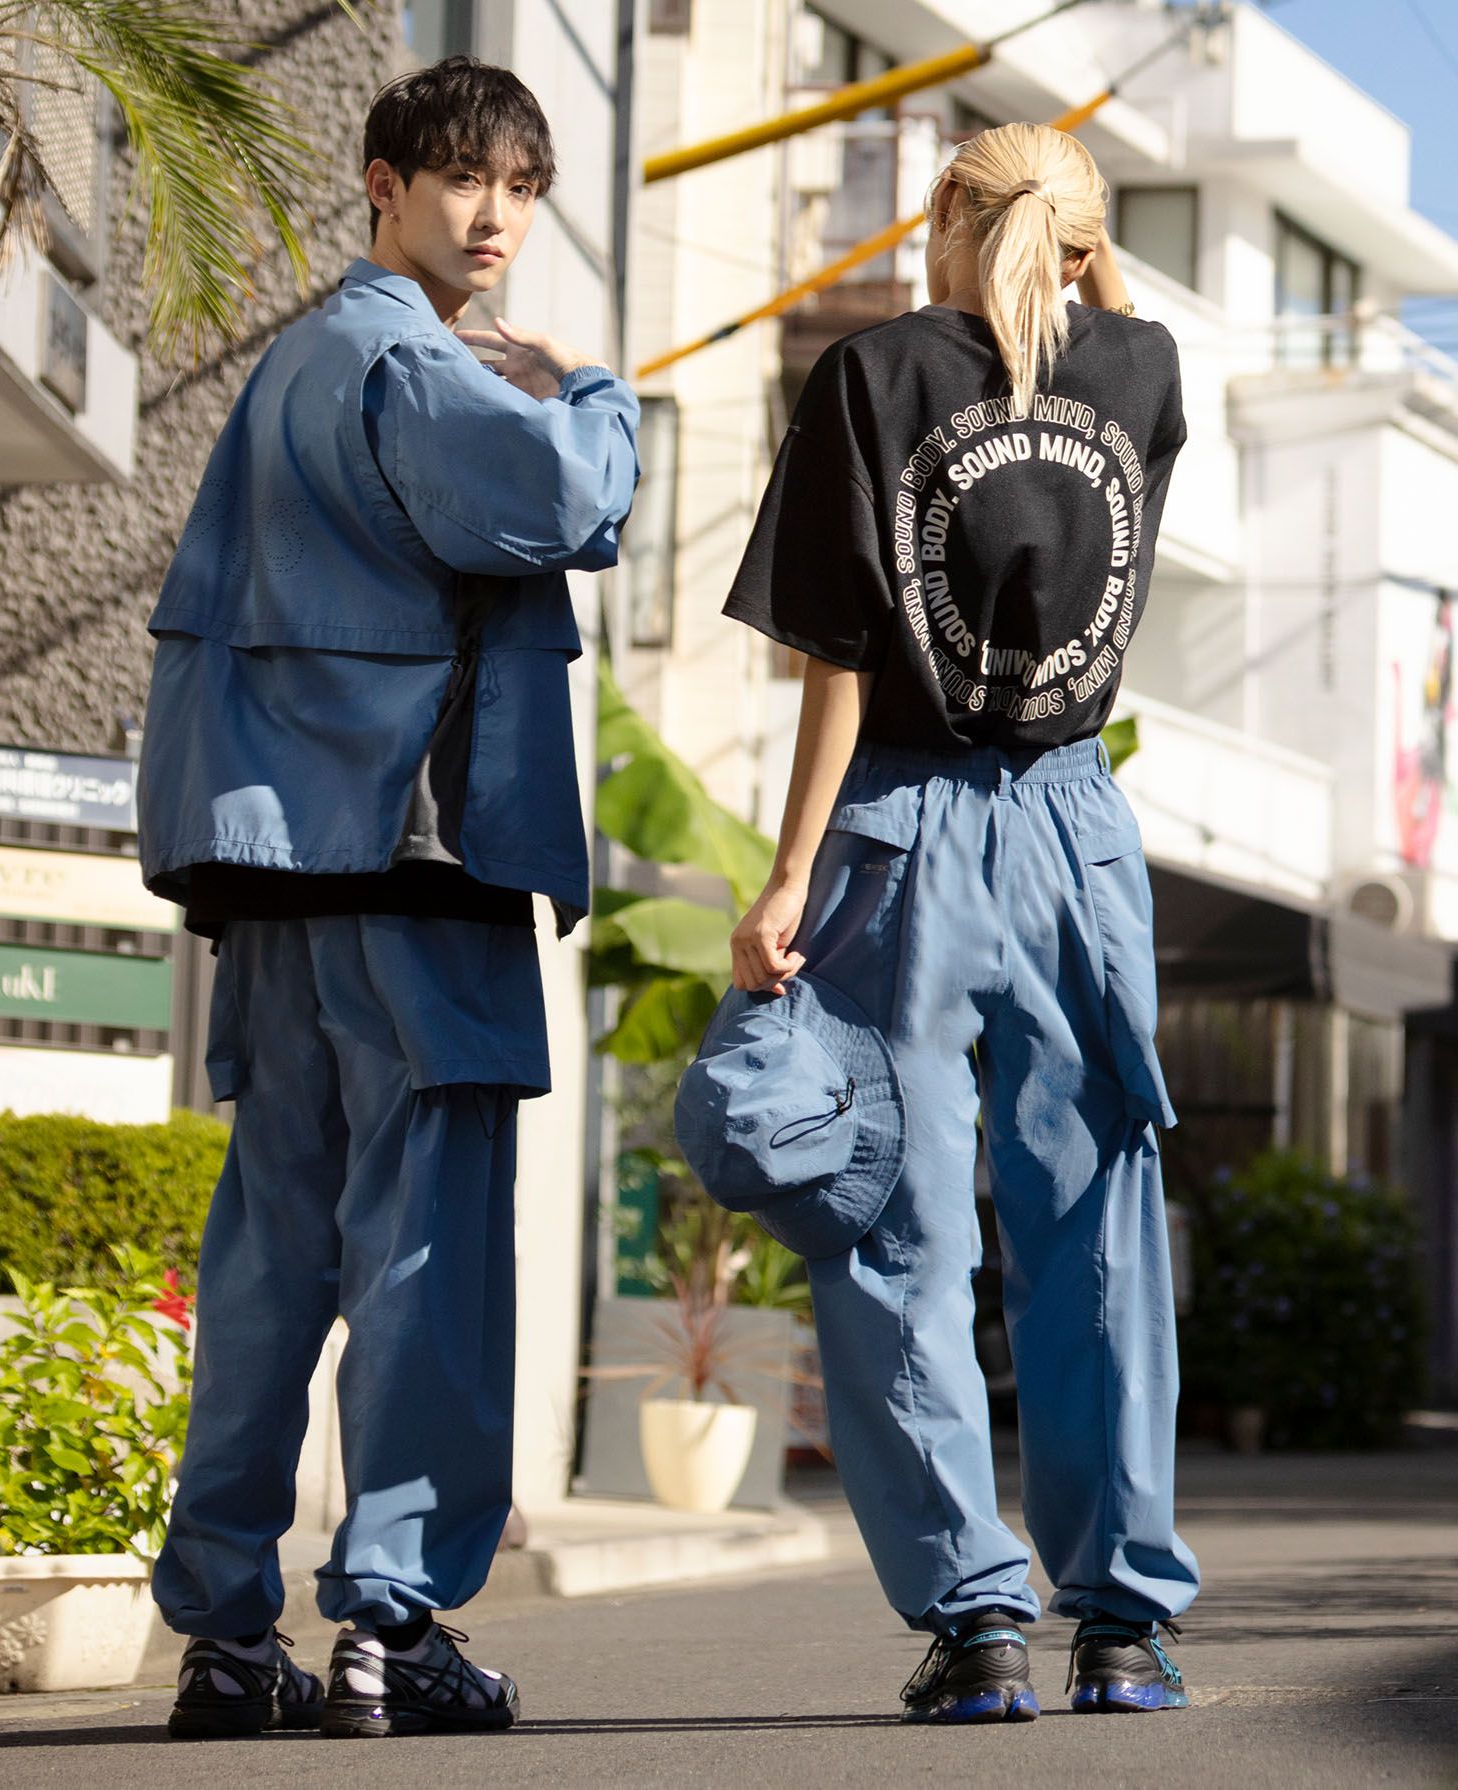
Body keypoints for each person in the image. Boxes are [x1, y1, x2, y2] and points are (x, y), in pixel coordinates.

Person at [134, 56, 636, 1741]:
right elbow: (565, 502)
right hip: (413, 868)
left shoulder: (288, 363)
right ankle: (393, 1620)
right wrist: (592, 390)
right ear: (380, 182)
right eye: (456, 180)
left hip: (275, 882)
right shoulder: (411, 359)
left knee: (272, 1260)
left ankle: (220, 1636)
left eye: (517, 187)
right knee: (424, 1262)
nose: (489, 215)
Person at [715, 120, 1195, 1724]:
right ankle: (1120, 1624)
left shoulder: (870, 375)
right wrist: (1076, 258)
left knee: (888, 1229)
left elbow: (836, 657)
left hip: (903, 821)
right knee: (1095, 1220)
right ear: (1079, 243)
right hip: (1074, 821)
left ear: (937, 214)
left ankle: (974, 1619)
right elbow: (1104, 321)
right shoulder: (1139, 370)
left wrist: (786, 873)